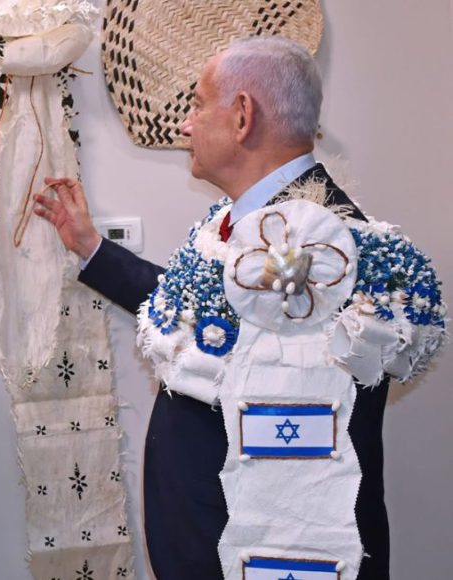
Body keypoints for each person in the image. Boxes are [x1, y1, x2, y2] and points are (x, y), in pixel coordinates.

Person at [35, 37, 390, 579]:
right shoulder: (252, 218)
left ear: (243, 116)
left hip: (266, 554)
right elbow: (211, 320)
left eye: (198, 105)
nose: (186, 125)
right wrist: (92, 249)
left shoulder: (320, 246)